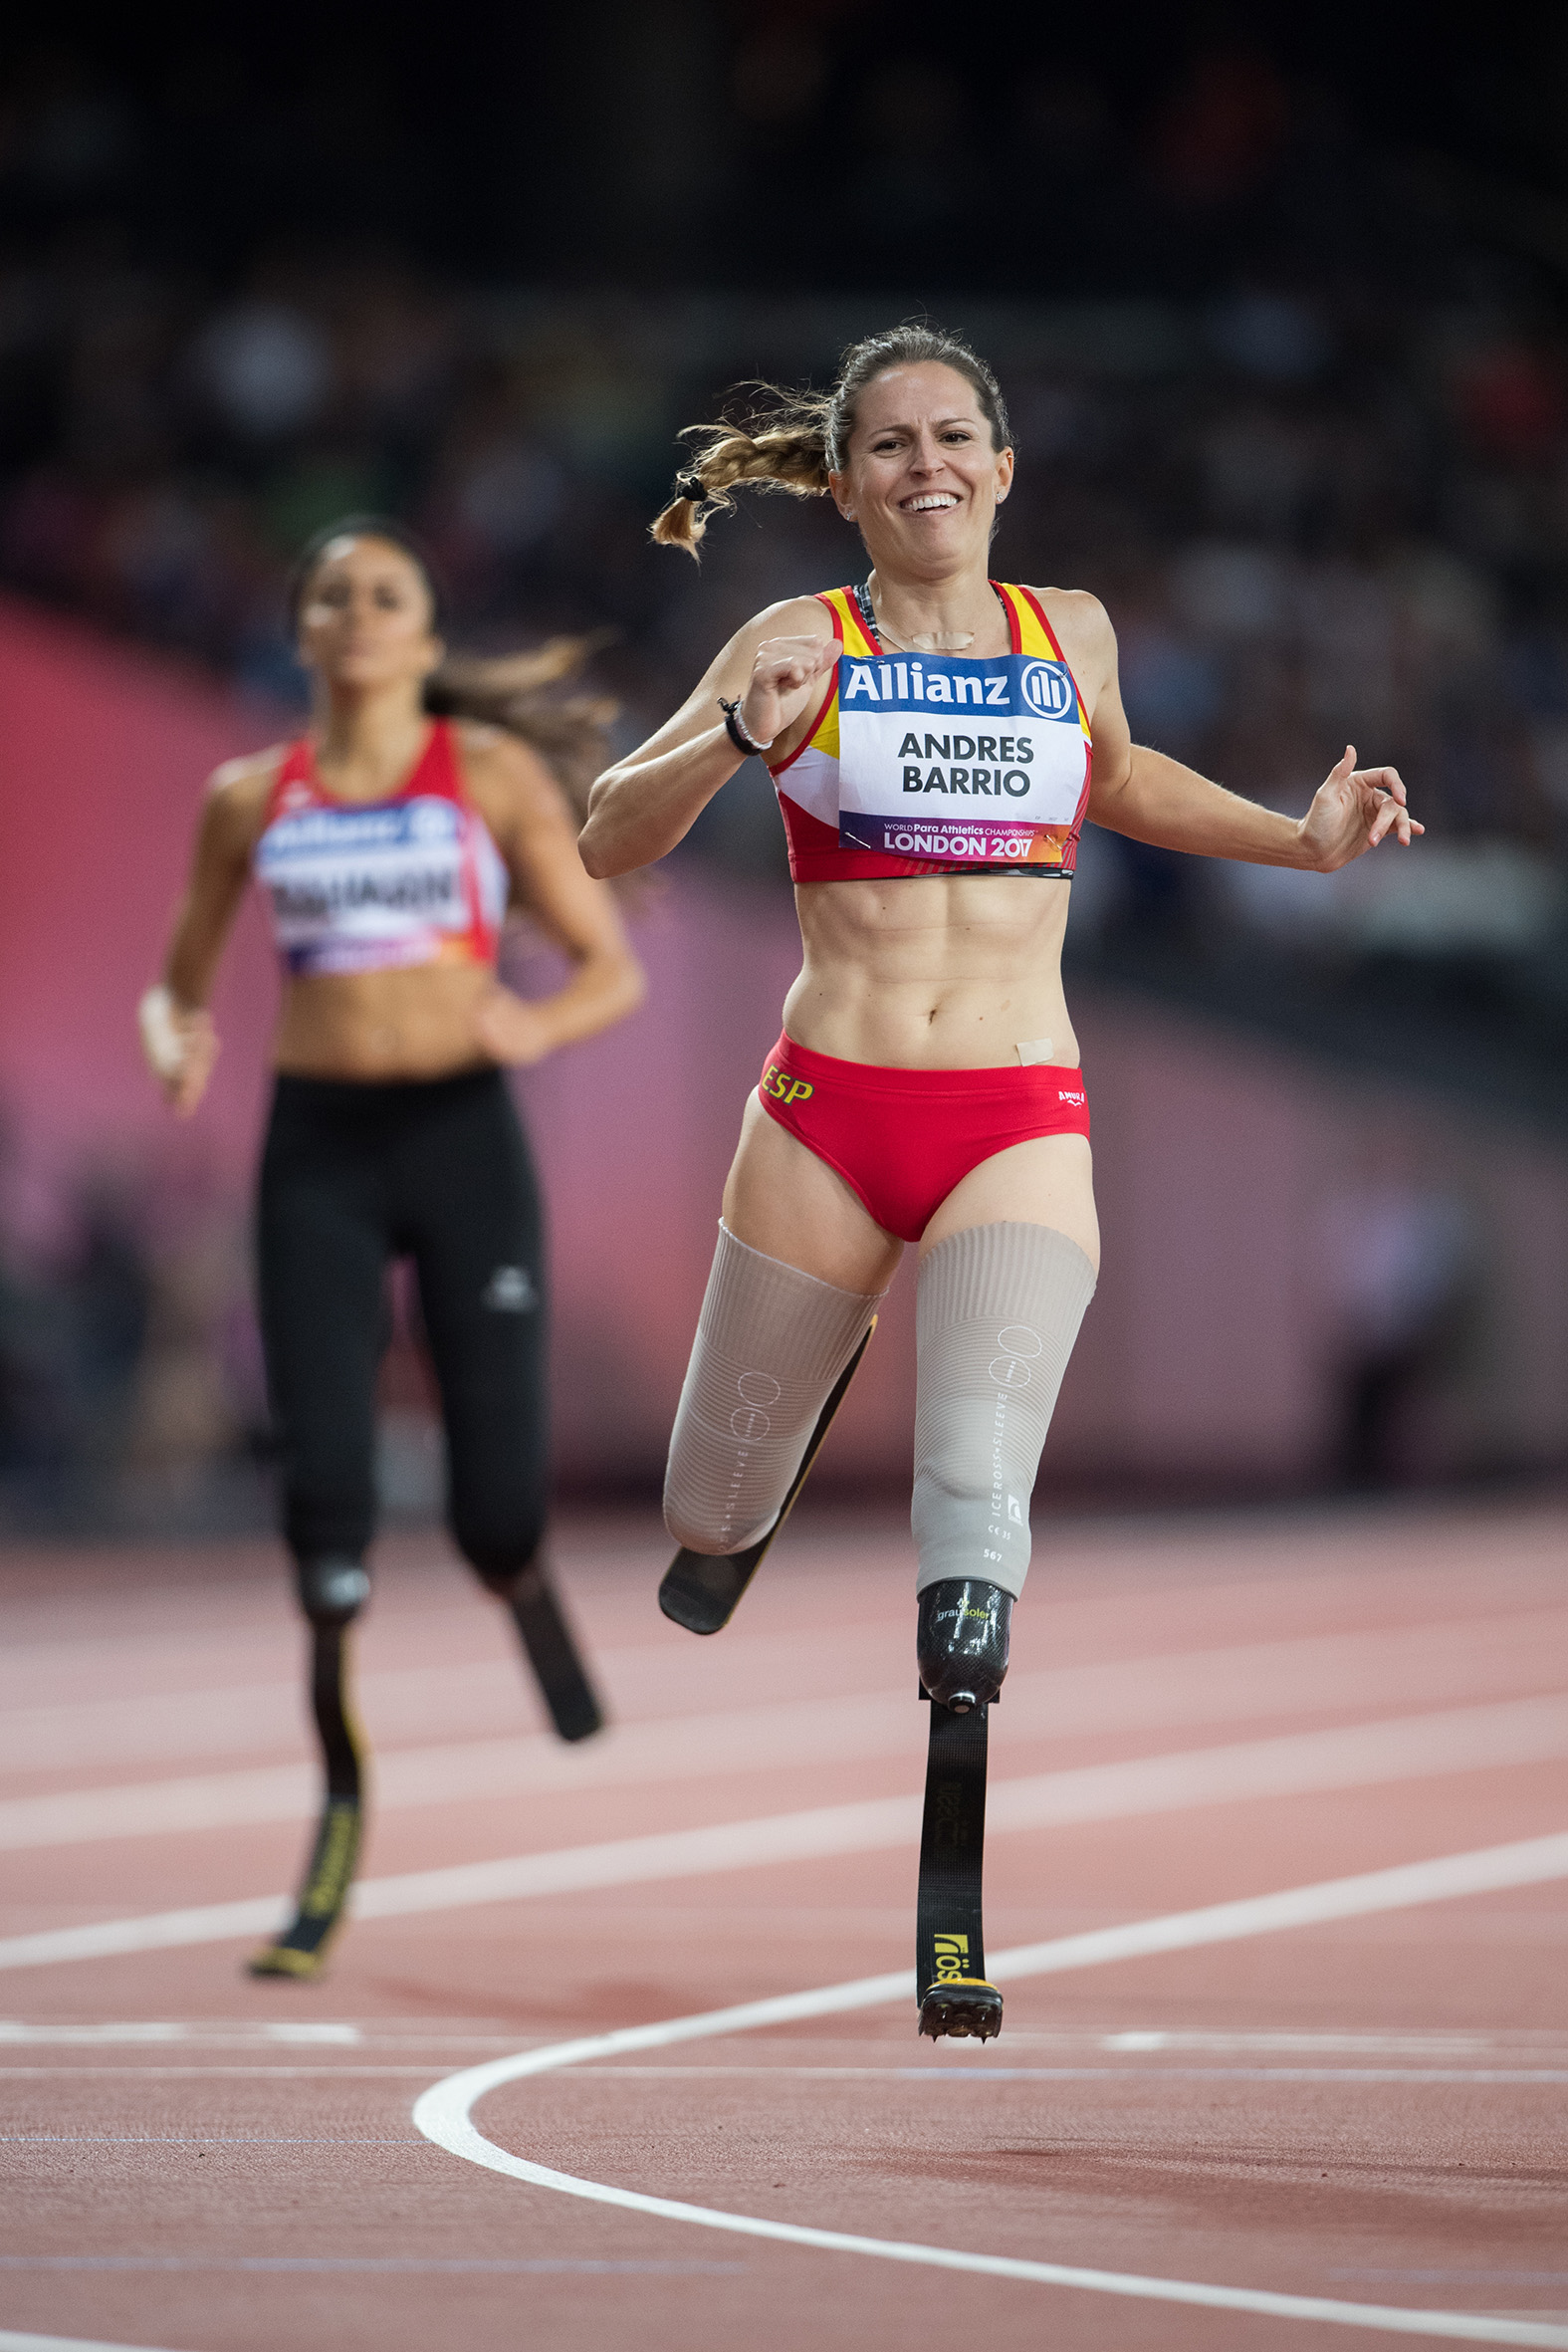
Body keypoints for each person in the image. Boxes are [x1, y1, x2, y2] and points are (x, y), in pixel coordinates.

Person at [578, 325, 1421, 2033]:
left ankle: (951, 1916)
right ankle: (774, 1454)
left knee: (974, 1506)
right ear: (843, 484)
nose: (925, 466)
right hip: (825, 1114)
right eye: (888, 446)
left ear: (1004, 464)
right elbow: (604, 831)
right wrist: (731, 743)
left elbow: (1116, 778)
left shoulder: (1070, 634)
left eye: (954, 436)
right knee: (702, 1519)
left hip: (1015, 1113)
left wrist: (1297, 836)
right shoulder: (793, 640)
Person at [139, 517, 645, 1976]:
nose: (357, 615)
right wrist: (175, 1040)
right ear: (302, 632)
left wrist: (534, 1020)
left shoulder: (484, 775)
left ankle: (523, 1576)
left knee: (491, 1507)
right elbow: (172, 987)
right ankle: (338, 1817)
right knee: (328, 1506)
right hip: (320, 1154)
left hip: (464, 1142)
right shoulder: (249, 796)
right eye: (332, 597)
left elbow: (611, 964)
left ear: (426, 638)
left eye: (386, 596)